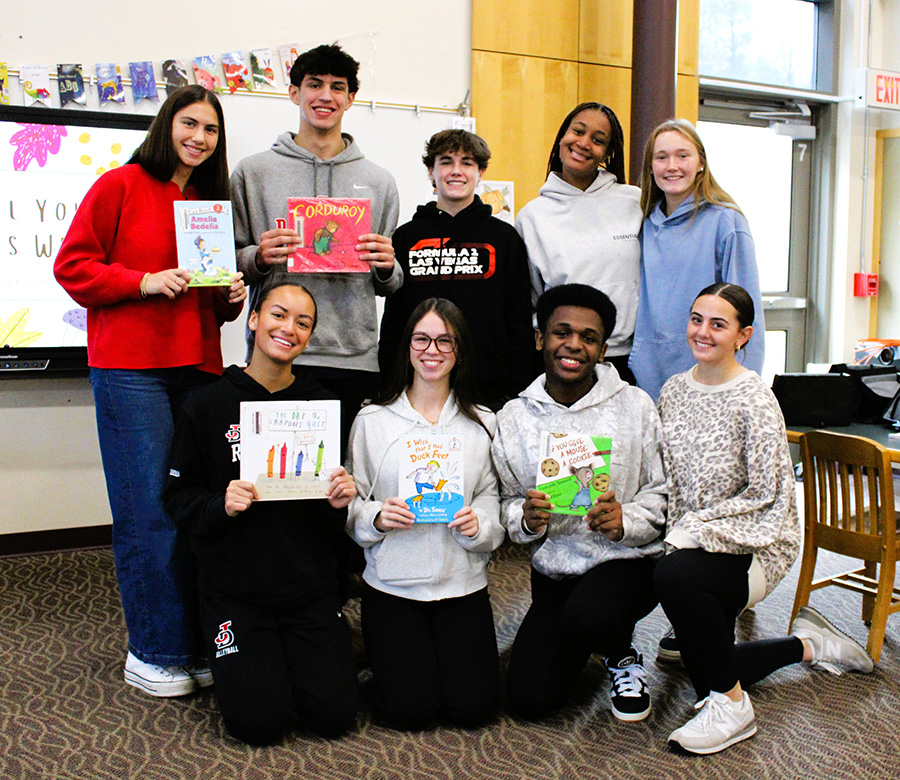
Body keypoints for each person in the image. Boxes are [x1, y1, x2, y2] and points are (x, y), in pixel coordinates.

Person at [54, 85, 246, 697]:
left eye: (210, 130)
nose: (199, 137)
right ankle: (154, 651)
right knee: (149, 516)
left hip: (199, 368)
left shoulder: (209, 201)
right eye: (189, 123)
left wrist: (229, 299)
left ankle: (193, 643)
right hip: (132, 370)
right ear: (167, 125)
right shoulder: (119, 185)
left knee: (197, 514)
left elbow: (205, 306)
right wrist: (141, 281)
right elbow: (72, 268)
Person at [655, 283, 874, 756]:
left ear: (743, 335)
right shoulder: (673, 391)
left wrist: (696, 530)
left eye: (718, 324)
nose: (703, 332)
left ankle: (734, 709)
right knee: (708, 665)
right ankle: (808, 645)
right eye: (697, 319)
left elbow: (769, 495)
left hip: (755, 543)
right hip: (689, 540)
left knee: (674, 578)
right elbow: (665, 474)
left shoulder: (754, 398)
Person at [163, 280, 359, 745]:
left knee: (335, 718)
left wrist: (341, 500)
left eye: (302, 322)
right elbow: (176, 499)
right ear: (253, 319)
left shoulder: (322, 407)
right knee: (259, 726)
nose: (288, 328)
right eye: (278, 314)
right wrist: (219, 504)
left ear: (310, 335)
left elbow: (335, 518)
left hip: (308, 591)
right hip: (237, 595)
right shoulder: (207, 404)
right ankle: (252, 661)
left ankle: (324, 651)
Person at [491, 284, 667, 722]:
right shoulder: (512, 417)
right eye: (561, 333)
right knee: (530, 700)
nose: (574, 345)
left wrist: (627, 519)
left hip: (625, 563)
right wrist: (525, 520)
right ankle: (587, 633)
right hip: (555, 572)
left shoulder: (636, 406)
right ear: (540, 339)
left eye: (588, 337)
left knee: (592, 616)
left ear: (603, 349)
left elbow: (664, 492)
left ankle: (621, 654)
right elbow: (503, 501)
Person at [231, 43, 400, 451]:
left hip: (354, 356)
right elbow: (228, 264)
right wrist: (258, 256)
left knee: (342, 480)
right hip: (278, 352)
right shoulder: (253, 173)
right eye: (314, 85)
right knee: (273, 476)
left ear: (350, 99)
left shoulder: (379, 182)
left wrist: (386, 266)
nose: (325, 96)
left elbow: (391, 283)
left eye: (337, 87)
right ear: (294, 93)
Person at [346, 298, 504, 729]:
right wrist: (376, 517)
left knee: (474, 710)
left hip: (462, 586)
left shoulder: (483, 423)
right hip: (393, 587)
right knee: (411, 712)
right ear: (407, 346)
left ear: (460, 350)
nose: (432, 351)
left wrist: (480, 524)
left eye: (445, 341)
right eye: (422, 339)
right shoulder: (372, 420)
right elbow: (352, 501)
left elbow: (491, 496)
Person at [378, 129, 534, 409]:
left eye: (467, 163)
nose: (456, 171)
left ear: (481, 172)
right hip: (418, 388)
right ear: (431, 170)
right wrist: (390, 385)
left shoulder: (505, 238)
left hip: (490, 391)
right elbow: (394, 320)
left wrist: (515, 391)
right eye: (446, 161)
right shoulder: (405, 237)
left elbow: (518, 319)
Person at [630, 118, 765, 401]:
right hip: (647, 378)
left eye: (683, 155)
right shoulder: (642, 223)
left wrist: (743, 387)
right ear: (651, 166)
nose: (672, 166)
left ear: (701, 162)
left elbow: (747, 310)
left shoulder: (726, 222)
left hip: (710, 378)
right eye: (661, 157)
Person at [515, 103, 642, 383]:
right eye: (578, 131)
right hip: (563, 361)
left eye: (598, 140)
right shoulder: (532, 216)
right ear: (562, 137)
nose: (584, 143)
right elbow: (531, 300)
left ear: (607, 153)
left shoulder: (634, 202)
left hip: (627, 358)